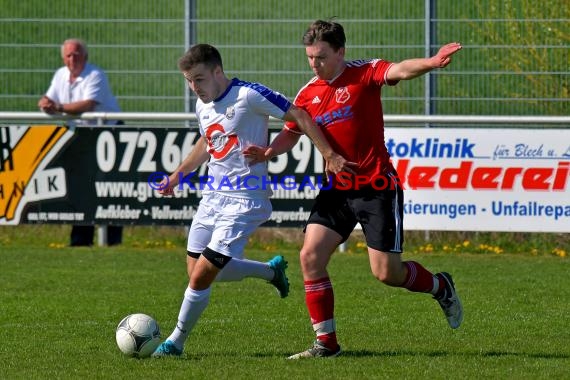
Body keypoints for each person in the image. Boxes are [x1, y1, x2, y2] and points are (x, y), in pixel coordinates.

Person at [245, 20, 464, 359]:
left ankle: (440, 286)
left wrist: (432, 63)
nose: (314, 64)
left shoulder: (364, 73)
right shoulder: (309, 93)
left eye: (320, 57)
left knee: (386, 273)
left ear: (340, 52)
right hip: (337, 191)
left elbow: (401, 70)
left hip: (377, 188)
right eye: (309, 57)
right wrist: (269, 152)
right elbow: (292, 131)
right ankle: (326, 344)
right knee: (309, 256)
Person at [151, 44, 351, 358]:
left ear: (218, 71)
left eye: (200, 79)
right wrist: (178, 175)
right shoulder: (202, 106)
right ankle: (271, 273)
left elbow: (298, 114)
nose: (195, 87)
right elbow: (208, 140)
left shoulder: (248, 95)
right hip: (212, 198)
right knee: (195, 271)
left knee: (203, 273)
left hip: (245, 199)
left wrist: (327, 153)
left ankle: (175, 342)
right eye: (189, 81)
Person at [38, 38, 123, 247]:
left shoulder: (95, 75)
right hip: (81, 136)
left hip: (108, 134)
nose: (72, 58)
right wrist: (45, 103)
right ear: (63, 58)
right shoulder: (60, 75)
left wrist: (56, 106)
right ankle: (80, 241)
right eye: (68, 55)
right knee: (80, 189)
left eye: (76, 54)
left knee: (109, 189)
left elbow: (87, 105)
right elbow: (49, 99)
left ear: (85, 56)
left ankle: (112, 242)